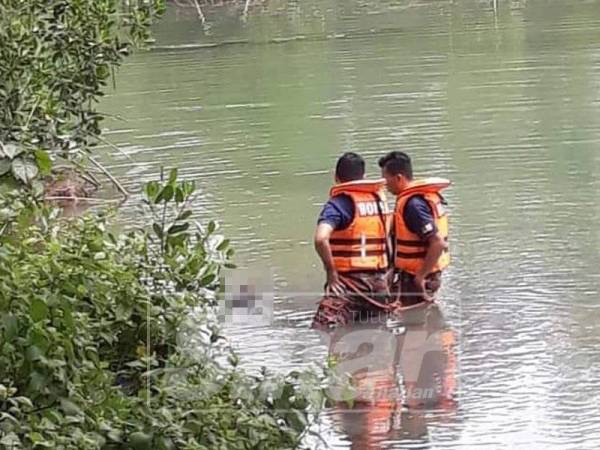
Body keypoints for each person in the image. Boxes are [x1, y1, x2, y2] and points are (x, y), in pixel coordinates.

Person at [312, 152, 392, 328]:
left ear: (336, 177)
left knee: (323, 330)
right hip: (379, 285)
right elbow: (387, 240)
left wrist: (331, 273)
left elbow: (320, 239)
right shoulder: (379, 201)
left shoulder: (339, 203)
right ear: (362, 176)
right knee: (377, 337)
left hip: (349, 285)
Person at [378, 151, 450, 306]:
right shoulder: (415, 200)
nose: (385, 184)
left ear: (398, 178)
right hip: (418, 274)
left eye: (386, 179)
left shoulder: (413, 206)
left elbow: (437, 243)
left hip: (419, 277)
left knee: (414, 325)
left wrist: (420, 277)